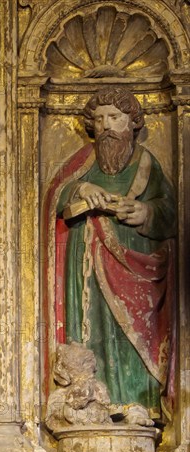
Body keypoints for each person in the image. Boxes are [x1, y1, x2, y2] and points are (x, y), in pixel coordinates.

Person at [46, 88, 176, 425]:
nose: (106, 126)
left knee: (138, 333)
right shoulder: (83, 162)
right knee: (92, 332)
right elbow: (55, 197)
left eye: (114, 118)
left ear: (132, 122)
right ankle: (94, 403)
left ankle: (140, 403)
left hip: (137, 261)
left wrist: (145, 211)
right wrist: (80, 190)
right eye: (100, 119)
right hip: (86, 264)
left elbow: (173, 211)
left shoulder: (147, 163)